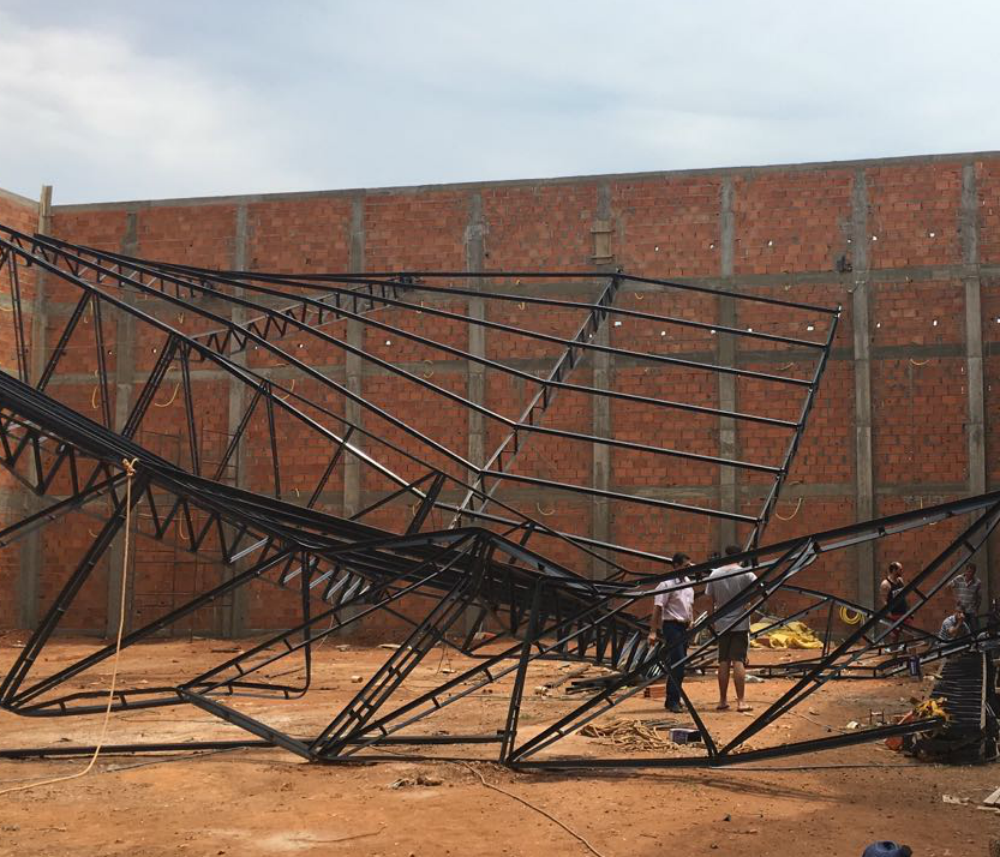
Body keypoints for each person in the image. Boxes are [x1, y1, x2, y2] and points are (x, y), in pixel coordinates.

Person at [705, 545, 759, 712]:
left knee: (723, 661)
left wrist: (712, 620)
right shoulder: (746, 573)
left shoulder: (714, 574)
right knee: (738, 660)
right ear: (740, 557)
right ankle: (741, 701)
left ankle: (722, 700)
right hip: (740, 622)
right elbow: (760, 589)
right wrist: (751, 605)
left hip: (722, 623)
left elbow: (709, 600)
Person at [648, 552, 695, 713]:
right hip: (671, 626)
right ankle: (673, 699)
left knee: (680, 664)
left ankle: (674, 698)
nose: (689, 569)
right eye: (685, 566)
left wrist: (692, 620)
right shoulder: (666, 584)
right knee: (678, 663)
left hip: (684, 626)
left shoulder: (688, 582)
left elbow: (689, 605)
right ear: (676, 566)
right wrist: (653, 631)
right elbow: (658, 608)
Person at [879, 562, 908, 646]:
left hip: (904, 613)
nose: (902, 571)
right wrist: (889, 616)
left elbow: (903, 595)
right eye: (900, 570)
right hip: (894, 614)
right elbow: (884, 601)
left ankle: (910, 655)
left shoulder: (900, 581)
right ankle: (894, 655)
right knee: (894, 637)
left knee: (909, 634)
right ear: (894, 570)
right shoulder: (885, 584)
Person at [949, 563, 982, 631]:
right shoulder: (959, 578)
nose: (970, 574)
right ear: (966, 571)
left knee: (975, 628)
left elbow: (979, 598)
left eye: (972, 572)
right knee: (962, 628)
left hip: (971, 609)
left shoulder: (977, 582)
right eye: (969, 571)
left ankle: (976, 640)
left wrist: (977, 609)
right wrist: (955, 598)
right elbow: (949, 586)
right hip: (961, 609)